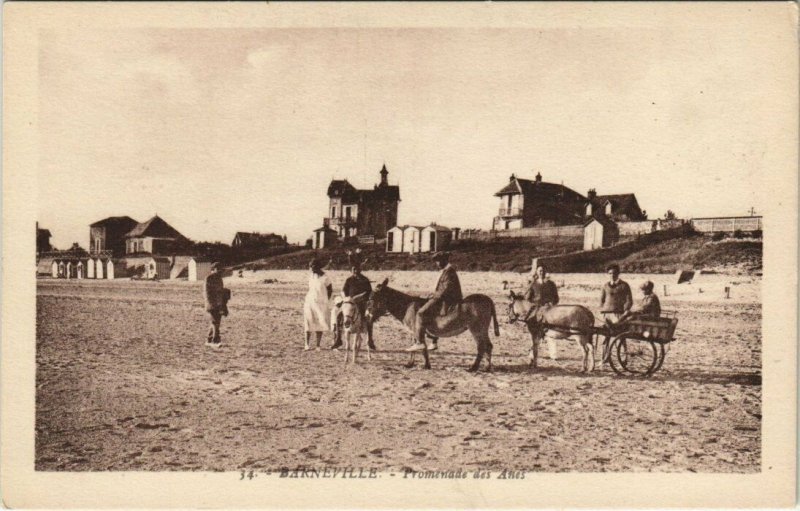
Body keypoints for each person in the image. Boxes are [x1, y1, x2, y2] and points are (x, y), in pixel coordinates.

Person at [407, 251, 462, 352]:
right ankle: (433, 341)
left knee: (420, 313)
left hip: (448, 299)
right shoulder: (447, 271)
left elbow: (445, 290)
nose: (437, 264)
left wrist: (433, 295)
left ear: (444, 261)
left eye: (438, 261)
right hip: (444, 297)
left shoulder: (449, 272)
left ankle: (419, 342)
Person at [331, 250, 376, 351]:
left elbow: (369, 292)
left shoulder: (365, 280)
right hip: (349, 302)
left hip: (361, 302)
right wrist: (345, 299)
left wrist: (362, 297)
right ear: (351, 270)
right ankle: (338, 339)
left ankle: (370, 340)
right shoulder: (349, 280)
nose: (355, 271)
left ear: (360, 269)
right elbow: (343, 291)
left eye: (357, 269)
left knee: (369, 318)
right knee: (339, 316)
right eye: (353, 269)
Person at [523, 265, 560, 360]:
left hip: (549, 310)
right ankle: (532, 353)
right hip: (537, 310)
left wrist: (552, 303)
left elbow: (556, 298)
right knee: (535, 332)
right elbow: (527, 298)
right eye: (539, 271)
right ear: (536, 272)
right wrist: (534, 304)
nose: (541, 272)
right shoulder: (533, 284)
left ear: (545, 272)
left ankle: (553, 354)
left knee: (551, 331)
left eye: (543, 270)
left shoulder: (551, 284)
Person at [303, 259, 332, 351]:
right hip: (309, 302)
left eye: (313, 266)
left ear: (317, 266)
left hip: (321, 303)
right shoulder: (311, 276)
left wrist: (325, 300)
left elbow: (330, 290)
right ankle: (306, 344)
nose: (311, 268)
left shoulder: (325, 277)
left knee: (320, 322)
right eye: (310, 266)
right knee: (308, 322)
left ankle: (318, 345)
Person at [204, 262, 228, 347]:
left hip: (219, 304)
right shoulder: (209, 278)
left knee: (215, 322)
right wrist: (211, 304)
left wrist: (223, 303)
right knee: (215, 322)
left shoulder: (219, 278)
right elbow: (207, 293)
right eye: (218, 269)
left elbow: (220, 291)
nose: (220, 271)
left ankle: (209, 339)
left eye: (220, 269)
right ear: (213, 269)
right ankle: (216, 340)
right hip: (212, 305)